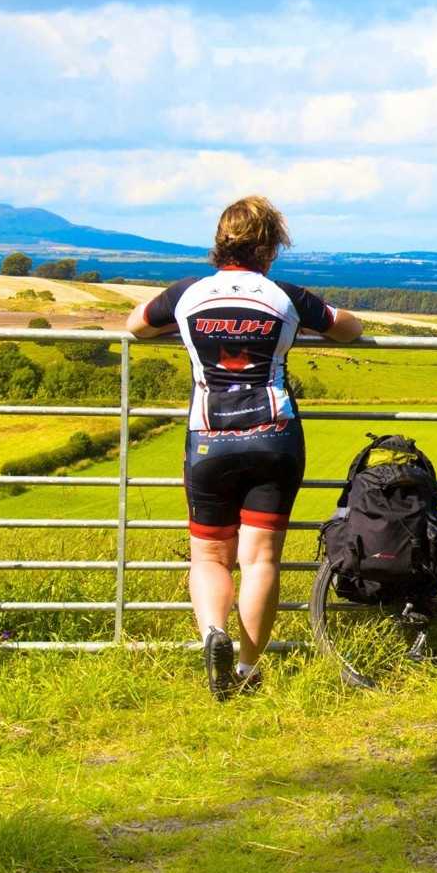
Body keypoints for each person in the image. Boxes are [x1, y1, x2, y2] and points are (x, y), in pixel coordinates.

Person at [126, 196, 362, 699]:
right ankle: (248, 669)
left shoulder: (188, 295)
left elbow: (136, 325)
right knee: (260, 561)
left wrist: (181, 327)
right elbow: (349, 328)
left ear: (220, 241)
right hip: (274, 434)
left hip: (208, 438)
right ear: (271, 247)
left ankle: (214, 632)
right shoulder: (284, 296)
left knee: (210, 556)